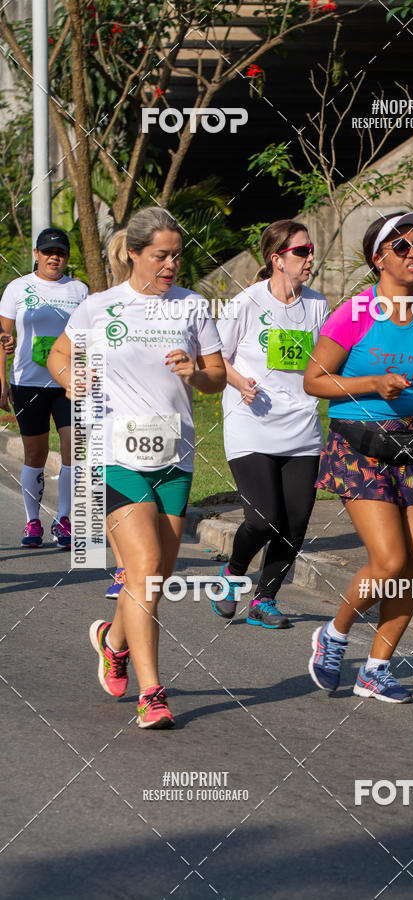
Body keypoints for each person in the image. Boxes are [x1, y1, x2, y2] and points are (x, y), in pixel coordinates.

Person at [47, 207, 226, 729]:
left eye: (177, 255)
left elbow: (216, 375)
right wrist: (69, 378)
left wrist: (197, 372)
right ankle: (153, 694)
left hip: (174, 455)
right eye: (160, 255)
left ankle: (112, 640)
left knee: (157, 574)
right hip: (112, 453)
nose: (171, 264)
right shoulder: (99, 308)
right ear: (133, 253)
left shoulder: (192, 307)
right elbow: (60, 354)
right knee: (145, 566)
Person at [304, 211, 413, 703]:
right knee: (389, 561)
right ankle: (333, 633)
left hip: (412, 443)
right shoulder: (354, 314)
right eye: (402, 247)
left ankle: (376, 668)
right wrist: (372, 383)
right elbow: (314, 381)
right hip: (358, 444)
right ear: (378, 259)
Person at [213, 220, 329, 628]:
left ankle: (265, 599)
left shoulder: (317, 305)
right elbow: (213, 357)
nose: (309, 257)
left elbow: (324, 362)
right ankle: (233, 573)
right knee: (263, 519)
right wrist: (237, 380)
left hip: (301, 428)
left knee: (295, 523)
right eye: (302, 251)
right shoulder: (246, 303)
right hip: (251, 424)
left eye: (310, 249)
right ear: (277, 259)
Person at [0, 227, 88, 549]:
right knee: (35, 454)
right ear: (36, 254)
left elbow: (88, 335)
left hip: (67, 383)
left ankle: (64, 520)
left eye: (61, 253)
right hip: (27, 382)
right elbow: (2, 338)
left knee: (72, 451)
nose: (55, 258)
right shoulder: (17, 288)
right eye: (48, 252)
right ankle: (32, 521)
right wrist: (1, 384)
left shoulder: (80, 290)